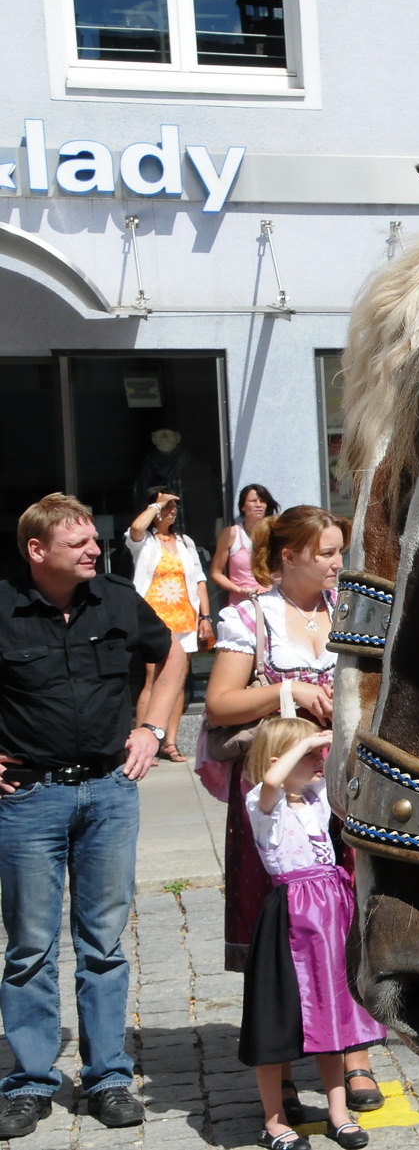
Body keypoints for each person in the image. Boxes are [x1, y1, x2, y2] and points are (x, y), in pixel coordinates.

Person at [0, 493, 189, 1139]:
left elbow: (174, 655)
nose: (93, 547)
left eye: (93, 538)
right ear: (37, 550)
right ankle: (29, 1082)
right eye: (78, 540)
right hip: (29, 798)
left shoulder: (114, 598)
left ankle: (108, 1074)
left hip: (110, 791)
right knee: (29, 947)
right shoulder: (3, 605)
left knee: (103, 943)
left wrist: (151, 726)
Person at [202, 506, 384, 1117]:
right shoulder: (248, 617)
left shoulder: (350, 615)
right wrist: (291, 693)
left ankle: (355, 1055)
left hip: (346, 790)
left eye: (340, 552)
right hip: (277, 796)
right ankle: (278, 1067)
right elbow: (222, 704)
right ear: (289, 556)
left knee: (348, 919)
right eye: (328, 553)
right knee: (275, 928)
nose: (339, 563)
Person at [240, 719, 382, 1150]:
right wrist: (303, 741)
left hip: (332, 912)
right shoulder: (264, 804)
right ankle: (274, 1120)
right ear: (282, 760)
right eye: (309, 756)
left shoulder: (318, 796)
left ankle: (337, 1112)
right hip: (293, 918)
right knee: (277, 1016)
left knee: (334, 1013)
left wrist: (329, 743)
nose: (319, 760)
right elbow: (270, 779)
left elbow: (347, 772)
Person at [126, 487, 212, 762]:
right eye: (166, 505)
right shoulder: (144, 541)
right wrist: (157, 503)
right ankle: (142, 740)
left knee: (177, 680)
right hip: (154, 618)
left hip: (184, 616)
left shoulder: (185, 541)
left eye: (175, 505)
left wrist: (206, 618)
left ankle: (169, 742)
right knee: (152, 679)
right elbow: (137, 527)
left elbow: (199, 581)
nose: (171, 509)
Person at [212, 484, 278, 604]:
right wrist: (238, 590)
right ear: (243, 507)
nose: (258, 505)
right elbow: (216, 573)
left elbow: (287, 569)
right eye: (253, 501)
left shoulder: (275, 534)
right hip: (240, 603)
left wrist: (270, 585)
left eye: (262, 501)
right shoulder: (231, 533)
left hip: (271, 601)